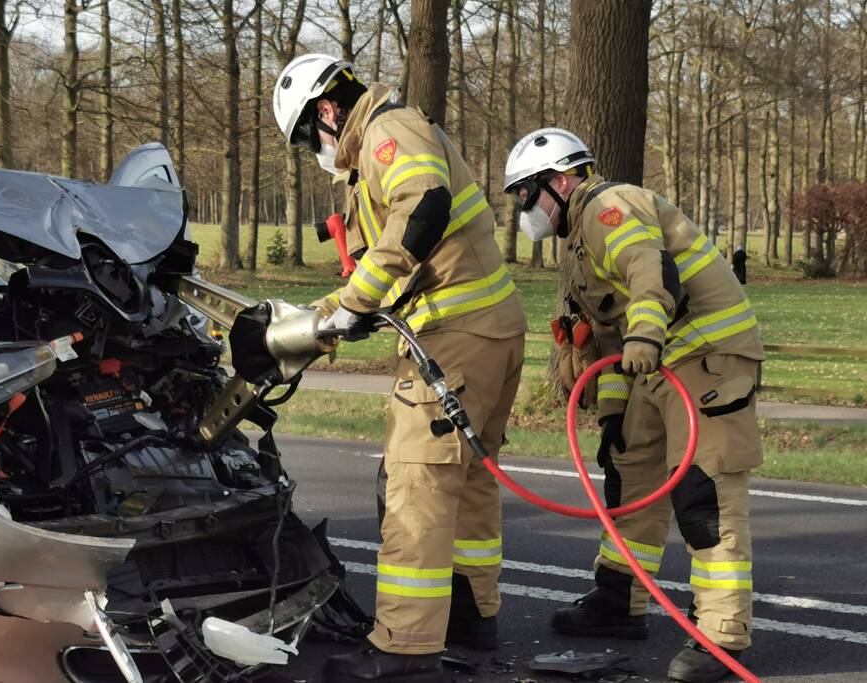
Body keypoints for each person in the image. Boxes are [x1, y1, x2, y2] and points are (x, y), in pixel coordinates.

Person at [272, 54, 526, 682]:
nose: (313, 150)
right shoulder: (391, 139)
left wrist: (356, 302)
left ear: (326, 110)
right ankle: (469, 613)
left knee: (417, 485)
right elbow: (392, 258)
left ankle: (405, 648)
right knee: (468, 483)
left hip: (455, 336)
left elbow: (423, 209)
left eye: (307, 136)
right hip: (488, 330)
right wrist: (325, 315)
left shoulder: (387, 130)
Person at [503, 128, 765, 683]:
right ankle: (620, 598)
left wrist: (645, 334)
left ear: (560, 181)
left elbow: (650, 270)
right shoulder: (576, 243)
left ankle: (721, 633)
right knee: (629, 472)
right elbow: (607, 340)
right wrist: (613, 413)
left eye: (526, 193)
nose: (524, 208)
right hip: (658, 364)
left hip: (708, 357)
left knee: (705, 492)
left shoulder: (609, 207)